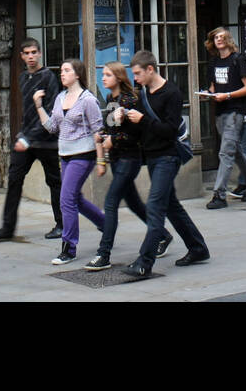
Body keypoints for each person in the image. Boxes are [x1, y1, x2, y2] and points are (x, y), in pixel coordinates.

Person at [121, 50, 210, 280]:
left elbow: (170, 130)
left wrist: (143, 120)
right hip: (151, 156)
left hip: (168, 156)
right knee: (171, 206)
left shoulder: (171, 92)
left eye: (138, 73)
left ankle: (144, 262)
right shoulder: (143, 94)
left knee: (155, 205)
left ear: (150, 69)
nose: (136, 78)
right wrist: (125, 120)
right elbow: (140, 129)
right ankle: (198, 248)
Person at [85, 63, 171, 271]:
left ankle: (103, 254)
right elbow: (111, 128)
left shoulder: (130, 100)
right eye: (103, 74)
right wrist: (103, 137)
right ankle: (163, 235)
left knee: (110, 203)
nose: (103, 78)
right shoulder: (111, 99)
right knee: (133, 203)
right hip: (116, 158)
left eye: (108, 75)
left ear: (119, 77)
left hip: (129, 159)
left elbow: (135, 133)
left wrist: (112, 140)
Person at [31, 59, 105, 265]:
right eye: (61, 70)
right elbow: (52, 127)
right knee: (76, 199)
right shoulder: (60, 98)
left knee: (66, 199)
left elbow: (98, 130)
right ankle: (106, 225)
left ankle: (68, 248)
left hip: (84, 154)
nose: (62, 74)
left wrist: (101, 161)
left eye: (66, 70)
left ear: (77, 74)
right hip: (65, 155)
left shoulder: (88, 99)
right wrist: (38, 106)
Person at [0, 38, 64, 241]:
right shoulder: (23, 78)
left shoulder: (49, 77)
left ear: (40, 53)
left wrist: (28, 138)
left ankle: (62, 224)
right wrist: (23, 134)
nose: (30, 56)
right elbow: (27, 111)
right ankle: (7, 228)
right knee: (14, 179)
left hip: (46, 140)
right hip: (27, 139)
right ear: (22, 56)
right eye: (26, 53)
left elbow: (51, 113)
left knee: (54, 182)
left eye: (33, 52)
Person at [203, 27, 246, 210]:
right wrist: (207, 94)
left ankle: (219, 194)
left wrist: (227, 96)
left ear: (228, 39)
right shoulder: (214, 62)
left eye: (222, 37)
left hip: (235, 110)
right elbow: (213, 87)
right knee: (236, 151)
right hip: (219, 111)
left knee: (225, 152)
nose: (219, 40)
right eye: (215, 37)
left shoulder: (238, 59)